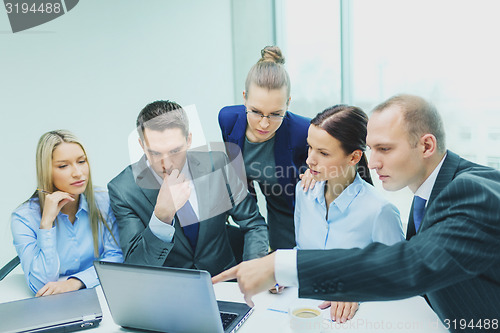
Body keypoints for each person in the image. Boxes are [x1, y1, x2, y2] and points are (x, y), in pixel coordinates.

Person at [213, 94, 500, 329]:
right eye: (372, 149)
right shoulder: (427, 195)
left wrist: (281, 266)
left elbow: (411, 263)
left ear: (426, 145)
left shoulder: (469, 191)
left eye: (384, 149)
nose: (373, 163)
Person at [108, 100, 269, 276]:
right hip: (169, 292)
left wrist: (255, 271)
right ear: (142, 146)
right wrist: (162, 218)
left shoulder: (218, 165)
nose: (166, 164)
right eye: (155, 153)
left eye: (175, 151)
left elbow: (254, 224)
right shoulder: (123, 190)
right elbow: (136, 266)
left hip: (225, 284)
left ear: (189, 140)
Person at [294, 105, 404, 322]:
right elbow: (302, 251)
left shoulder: (379, 211)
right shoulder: (304, 192)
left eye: (323, 153)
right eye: (310, 148)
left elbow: (400, 275)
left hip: (355, 320)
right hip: (303, 309)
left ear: (354, 158)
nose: (310, 160)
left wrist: (357, 288)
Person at [219, 46, 311, 251]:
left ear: (288, 103)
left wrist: (313, 172)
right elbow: (239, 172)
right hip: (267, 198)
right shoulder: (227, 120)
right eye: (256, 112)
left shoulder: (303, 129)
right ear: (244, 98)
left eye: (276, 114)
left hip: (295, 205)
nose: (263, 124)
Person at [11, 130, 123, 296]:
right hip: (52, 304)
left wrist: (76, 282)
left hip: (101, 292)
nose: (78, 173)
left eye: (81, 161)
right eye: (63, 166)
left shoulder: (104, 201)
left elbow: (116, 259)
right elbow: (40, 285)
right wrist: (46, 223)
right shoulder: (24, 218)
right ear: (46, 171)